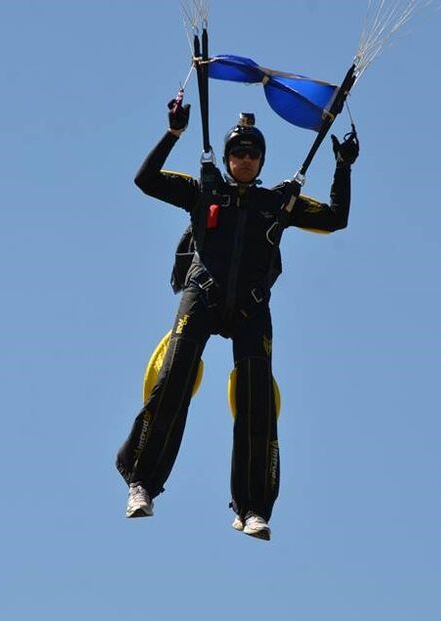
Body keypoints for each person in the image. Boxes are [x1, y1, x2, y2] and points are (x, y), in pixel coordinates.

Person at [115, 95, 359, 541]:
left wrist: (343, 166)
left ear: (261, 159)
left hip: (251, 306)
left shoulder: (276, 203)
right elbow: (144, 179)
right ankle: (142, 483)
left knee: (257, 402)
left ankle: (252, 508)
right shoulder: (203, 190)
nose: (244, 159)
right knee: (173, 381)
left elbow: (335, 219)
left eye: (252, 153)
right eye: (238, 152)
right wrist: (173, 134)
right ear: (227, 158)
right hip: (201, 297)